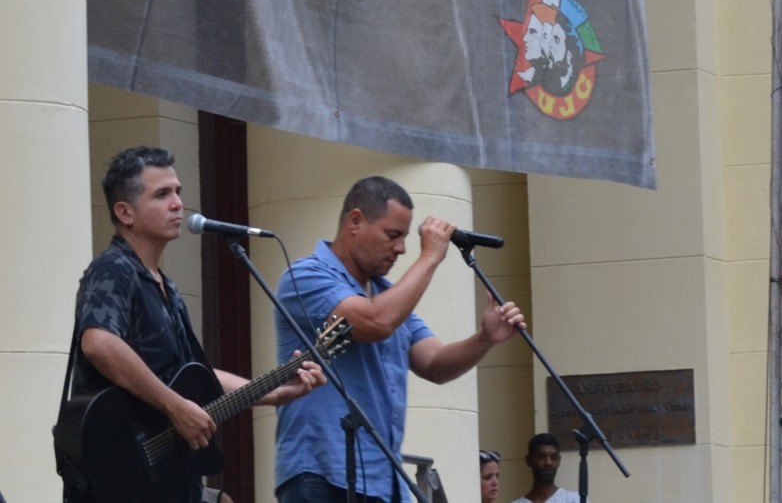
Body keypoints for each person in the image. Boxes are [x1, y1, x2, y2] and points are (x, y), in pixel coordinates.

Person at [68, 146, 326, 503]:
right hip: (119, 477)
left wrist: (274, 392)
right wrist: (175, 406)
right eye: (162, 194)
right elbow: (99, 343)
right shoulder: (114, 269)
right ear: (125, 212)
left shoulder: (166, 287)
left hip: (168, 481)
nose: (177, 203)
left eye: (178, 192)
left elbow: (200, 375)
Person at [273, 175, 526, 503]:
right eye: (392, 235)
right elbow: (376, 322)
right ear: (355, 221)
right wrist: (430, 257)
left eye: (405, 237)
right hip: (322, 475)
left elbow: (434, 363)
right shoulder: (305, 277)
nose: (401, 248)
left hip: (383, 479)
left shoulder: (386, 295)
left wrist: (485, 338)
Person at [510, 433, 581, 503]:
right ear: (528, 460)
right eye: (541, 457)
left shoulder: (575, 500)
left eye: (553, 458)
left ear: (559, 461)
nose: (548, 463)